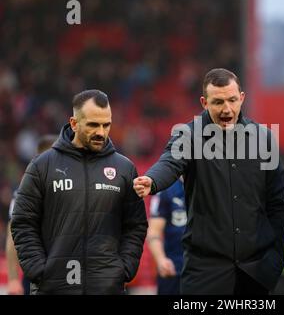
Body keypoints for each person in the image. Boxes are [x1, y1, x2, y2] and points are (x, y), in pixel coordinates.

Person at [134, 68, 284, 295]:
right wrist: (153, 180)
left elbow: (277, 203)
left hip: (255, 271)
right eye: (218, 102)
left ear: (242, 98)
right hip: (205, 272)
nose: (227, 109)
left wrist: (275, 259)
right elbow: (170, 162)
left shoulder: (263, 139)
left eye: (232, 100)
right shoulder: (188, 135)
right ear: (204, 102)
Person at [11, 89, 148, 295]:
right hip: (53, 288)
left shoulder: (125, 169)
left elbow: (135, 226)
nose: (101, 132)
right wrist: (40, 270)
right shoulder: (41, 166)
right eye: (93, 124)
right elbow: (23, 222)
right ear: (74, 123)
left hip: (107, 288)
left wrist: (123, 269)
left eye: (106, 124)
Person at [6, 135, 57, 295]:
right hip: (36, 273)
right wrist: (13, 279)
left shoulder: (73, 189)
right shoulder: (24, 194)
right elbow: (13, 235)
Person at [148, 178, 186, 295]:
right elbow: (154, 232)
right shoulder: (167, 189)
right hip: (173, 267)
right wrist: (161, 260)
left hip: (206, 268)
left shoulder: (211, 187)